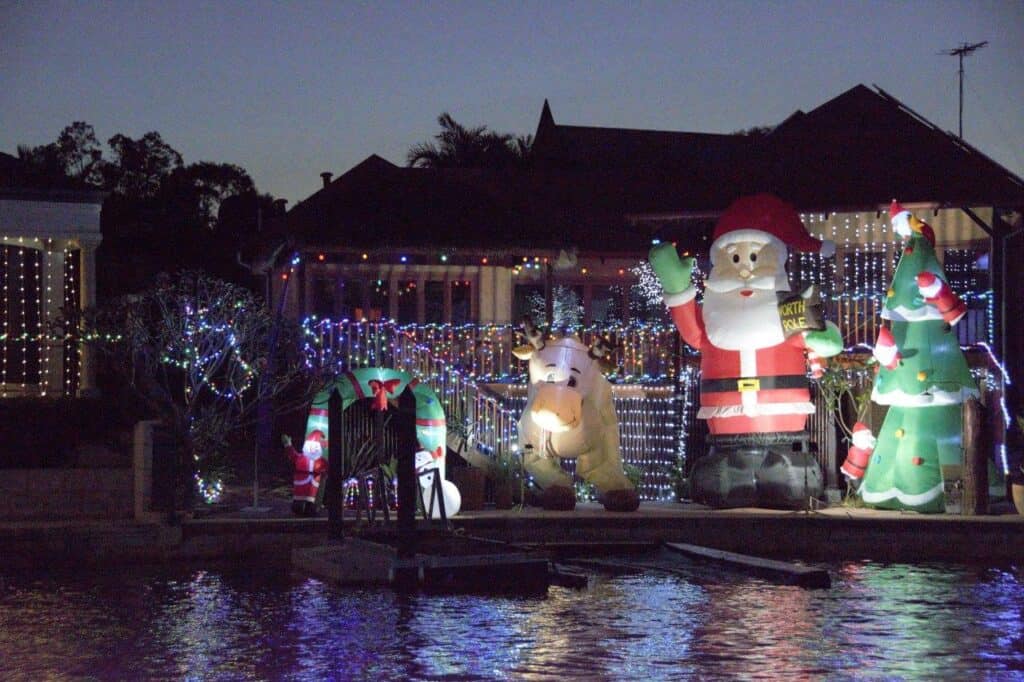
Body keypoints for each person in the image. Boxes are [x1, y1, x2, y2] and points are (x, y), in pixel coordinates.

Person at [282, 431, 329, 517]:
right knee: (299, 503)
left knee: (309, 503)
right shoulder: (301, 458)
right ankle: (301, 507)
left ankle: (309, 508)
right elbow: (292, 455)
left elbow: (326, 468)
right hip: (301, 485)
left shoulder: (320, 461)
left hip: (311, 486)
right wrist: (288, 445)